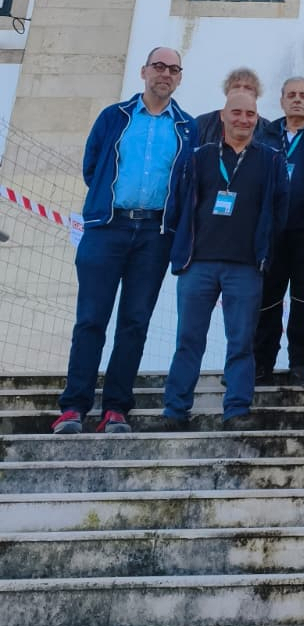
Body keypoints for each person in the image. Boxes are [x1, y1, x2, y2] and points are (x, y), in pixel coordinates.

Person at [52, 46, 197, 435]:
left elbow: (186, 185)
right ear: (144, 71)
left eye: (173, 69)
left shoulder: (187, 127)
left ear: (179, 78)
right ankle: (73, 407)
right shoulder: (114, 117)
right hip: (107, 228)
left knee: (134, 323)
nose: (165, 74)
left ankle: (116, 408)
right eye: (158, 66)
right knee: (90, 320)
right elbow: (92, 167)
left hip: (154, 235)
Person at [161, 92, 288, 429]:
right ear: (223, 115)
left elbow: (280, 210)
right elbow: (178, 203)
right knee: (188, 339)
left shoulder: (271, 160)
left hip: (245, 266)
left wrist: (265, 251)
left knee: (241, 340)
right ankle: (175, 410)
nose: (243, 120)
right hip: (198, 263)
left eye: (250, 114)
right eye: (237, 113)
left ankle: (236, 409)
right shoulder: (198, 157)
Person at [255, 77, 304, 388]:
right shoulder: (265, 136)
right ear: (282, 100)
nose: (297, 100)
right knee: (266, 301)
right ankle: (260, 363)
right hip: (271, 234)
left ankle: (303, 365)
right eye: (291, 95)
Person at [194, 67, 269, 145]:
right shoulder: (202, 124)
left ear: (256, 95)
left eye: (248, 88)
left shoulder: (268, 129)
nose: (241, 91)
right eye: (236, 86)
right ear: (227, 92)